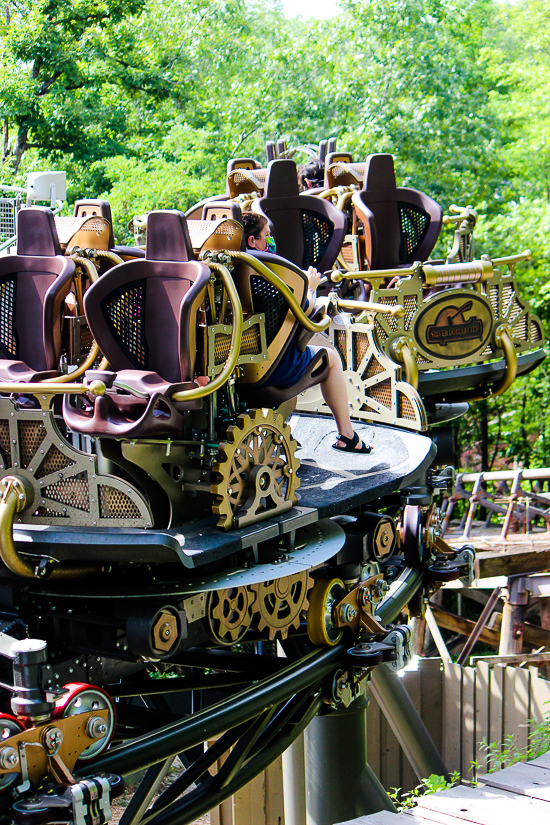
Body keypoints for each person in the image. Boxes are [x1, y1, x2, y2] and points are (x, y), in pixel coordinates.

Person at [241, 211, 371, 453]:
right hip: (266, 369)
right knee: (329, 357)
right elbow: (302, 311)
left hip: (233, 370)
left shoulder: (231, 266)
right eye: (267, 236)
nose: (270, 241)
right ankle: (348, 436)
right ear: (252, 241)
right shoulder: (266, 271)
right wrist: (310, 287)